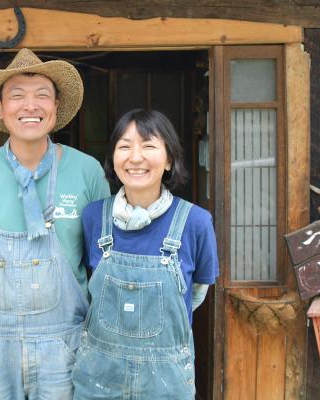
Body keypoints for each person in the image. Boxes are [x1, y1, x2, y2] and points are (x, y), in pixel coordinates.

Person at [0, 48, 110, 399]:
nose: (29, 106)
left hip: (63, 343)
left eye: (41, 96)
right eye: (17, 96)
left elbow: (102, 262)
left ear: (57, 107)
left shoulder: (87, 171)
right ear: (1, 109)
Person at [72, 109, 219, 399]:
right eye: (124, 146)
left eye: (149, 145)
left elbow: (197, 293)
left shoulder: (196, 222)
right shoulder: (93, 217)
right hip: (99, 375)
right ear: (113, 159)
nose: (135, 157)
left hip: (166, 380)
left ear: (169, 160)